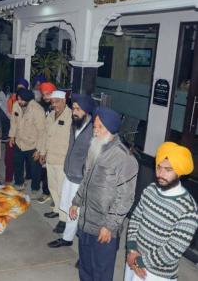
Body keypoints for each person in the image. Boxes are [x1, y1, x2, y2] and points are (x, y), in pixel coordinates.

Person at [69, 107, 138, 281]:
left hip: (104, 227)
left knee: (101, 272)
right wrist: (76, 202)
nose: (95, 130)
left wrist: (110, 226)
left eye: (100, 127)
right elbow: (86, 179)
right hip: (86, 221)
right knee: (85, 267)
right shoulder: (95, 147)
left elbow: (125, 198)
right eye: (95, 126)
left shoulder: (124, 158)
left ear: (112, 130)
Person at [125, 142, 198, 281]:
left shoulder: (189, 209)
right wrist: (132, 249)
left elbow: (172, 250)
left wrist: (139, 261)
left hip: (157, 274)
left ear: (179, 172)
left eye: (168, 170)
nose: (161, 174)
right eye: (159, 167)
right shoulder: (151, 190)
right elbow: (135, 219)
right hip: (133, 259)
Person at [48, 94, 95, 245]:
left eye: (78, 109)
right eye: (73, 108)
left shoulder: (93, 130)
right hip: (69, 173)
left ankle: (83, 249)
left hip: (81, 178)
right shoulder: (75, 124)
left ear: (86, 111)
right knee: (69, 207)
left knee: (80, 213)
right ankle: (67, 238)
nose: (74, 112)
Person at [39, 90, 72, 216]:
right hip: (50, 158)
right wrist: (42, 152)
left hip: (62, 160)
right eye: (52, 102)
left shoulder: (70, 116)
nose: (54, 105)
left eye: (57, 102)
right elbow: (44, 135)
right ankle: (57, 210)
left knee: (62, 190)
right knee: (52, 187)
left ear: (64, 101)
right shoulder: (51, 115)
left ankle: (64, 219)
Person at [9, 88, 45, 192]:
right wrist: (12, 136)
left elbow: (42, 132)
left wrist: (39, 150)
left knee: (35, 169)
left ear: (28, 99)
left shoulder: (38, 110)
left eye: (21, 100)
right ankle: (19, 183)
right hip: (19, 142)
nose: (19, 101)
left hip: (33, 145)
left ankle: (35, 188)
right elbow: (13, 122)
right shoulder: (16, 105)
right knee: (18, 164)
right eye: (18, 99)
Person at [5, 78, 29, 184]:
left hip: (25, 137)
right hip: (12, 133)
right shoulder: (12, 100)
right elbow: (11, 119)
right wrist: (11, 135)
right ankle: (8, 179)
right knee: (9, 159)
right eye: (18, 88)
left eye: (22, 88)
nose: (20, 91)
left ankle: (22, 179)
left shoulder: (29, 102)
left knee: (22, 160)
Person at [36, 82, 57, 200]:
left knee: (54, 173)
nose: (46, 97)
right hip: (43, 141)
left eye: (48, 94)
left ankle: (53, 196)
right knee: (44, 169)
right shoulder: (41, 107)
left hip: (55, 145)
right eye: (44, 95)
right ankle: (46, 192)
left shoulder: (60, 107)